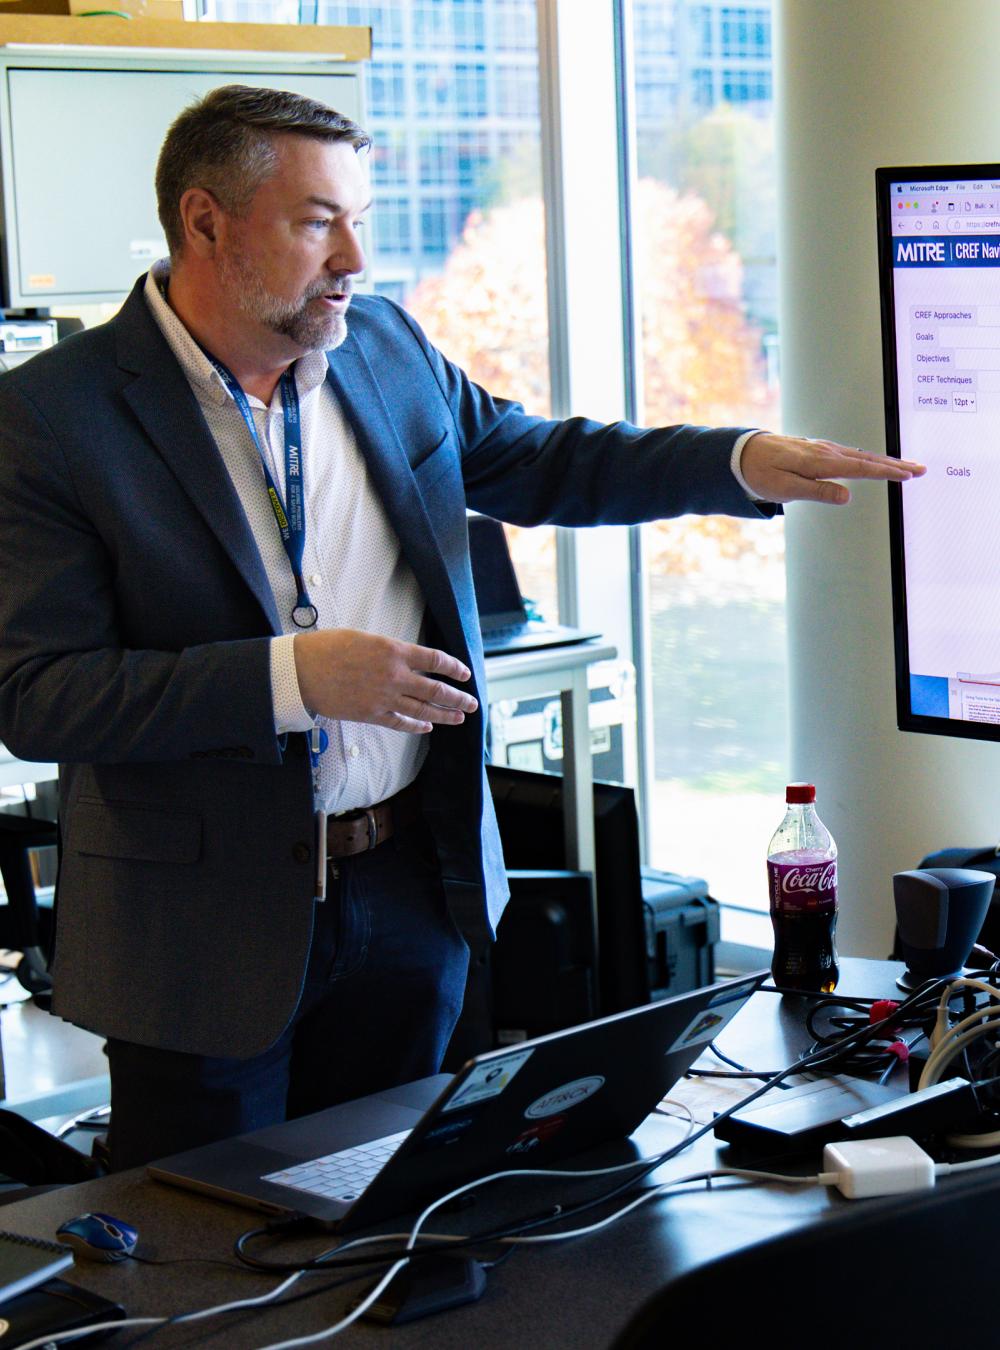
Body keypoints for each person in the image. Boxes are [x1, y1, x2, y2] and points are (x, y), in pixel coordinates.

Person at [0, 85, 923, 1169]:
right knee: (209, 1272)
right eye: (315, 222)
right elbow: (39, 694)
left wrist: (730, 461)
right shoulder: (51, 418)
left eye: (361, 218)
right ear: (205, 222)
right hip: (199, 931)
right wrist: (292, 678)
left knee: (397, 1224)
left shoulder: (382, 346)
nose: (355, 257)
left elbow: (538, 458)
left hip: (409, 891)